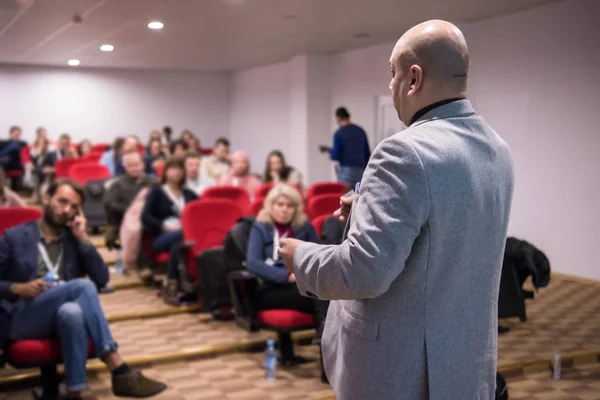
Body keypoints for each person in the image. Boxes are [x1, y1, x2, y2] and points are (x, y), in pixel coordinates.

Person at [278, 20, 514, 400]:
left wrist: (301, 256)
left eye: (392, 74)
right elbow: (450, 224)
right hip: (464, 358)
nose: (390, 85)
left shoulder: (403, 151)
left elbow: (364, 273)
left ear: (413, 78)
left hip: (404, 368)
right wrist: (369, 204)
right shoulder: (498, 149)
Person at [0, 179, 167, 398]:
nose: (66, 210)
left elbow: (102, 279)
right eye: (62, 202)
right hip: (23, 315)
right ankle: (116, 365)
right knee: (82, 285)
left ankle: (73, 392)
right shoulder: (14, 236)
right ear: (47, 198)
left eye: (74, 207)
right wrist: (18, 288)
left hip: (61, 313)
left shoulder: (73, 239)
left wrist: (84, 238)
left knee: (72, 312)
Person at [247, 184, 328, 358]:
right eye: (280, 204)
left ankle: (325, 340)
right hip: (269, 289)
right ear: (271, 205)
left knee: (325, 292)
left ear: (296, 209)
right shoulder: (260, 227)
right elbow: (253, 263)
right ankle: (326, 339)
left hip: (301, 284)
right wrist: (287, 276)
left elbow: (319, 253)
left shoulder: (303, 226)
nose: (284, 210)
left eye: (289, 206)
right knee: (320, 295)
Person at [141, 157, 198, 305]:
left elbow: (200, 212)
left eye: (180, 169)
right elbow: (145, 216)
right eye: (173, 168)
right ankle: (174, 284)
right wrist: (164, 226)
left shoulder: (189, 194)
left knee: (179, 242)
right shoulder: (156, 192)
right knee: (179, 236)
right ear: (165, 172)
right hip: (161, 237)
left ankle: (171, 284)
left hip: (184, 236)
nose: (177, 172)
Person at [104, 152, 156, 249]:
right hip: (125, 222)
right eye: (130, 166)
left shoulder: (154, 182)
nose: (133, 168)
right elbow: (110, 204)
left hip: (151, 220)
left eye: (136, 164)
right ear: (125, 167)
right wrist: (132, 211)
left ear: (142, 164)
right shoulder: (117, 184)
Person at [319, 107, 371, 186]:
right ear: (349, 116)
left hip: (345, 171)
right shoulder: (360, 131)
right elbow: (367, 153)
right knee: (358, 196)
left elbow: (335, 156)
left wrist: (330, 152)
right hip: (360, 170)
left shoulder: (339, 133)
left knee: (345, 196)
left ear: (338, 118)